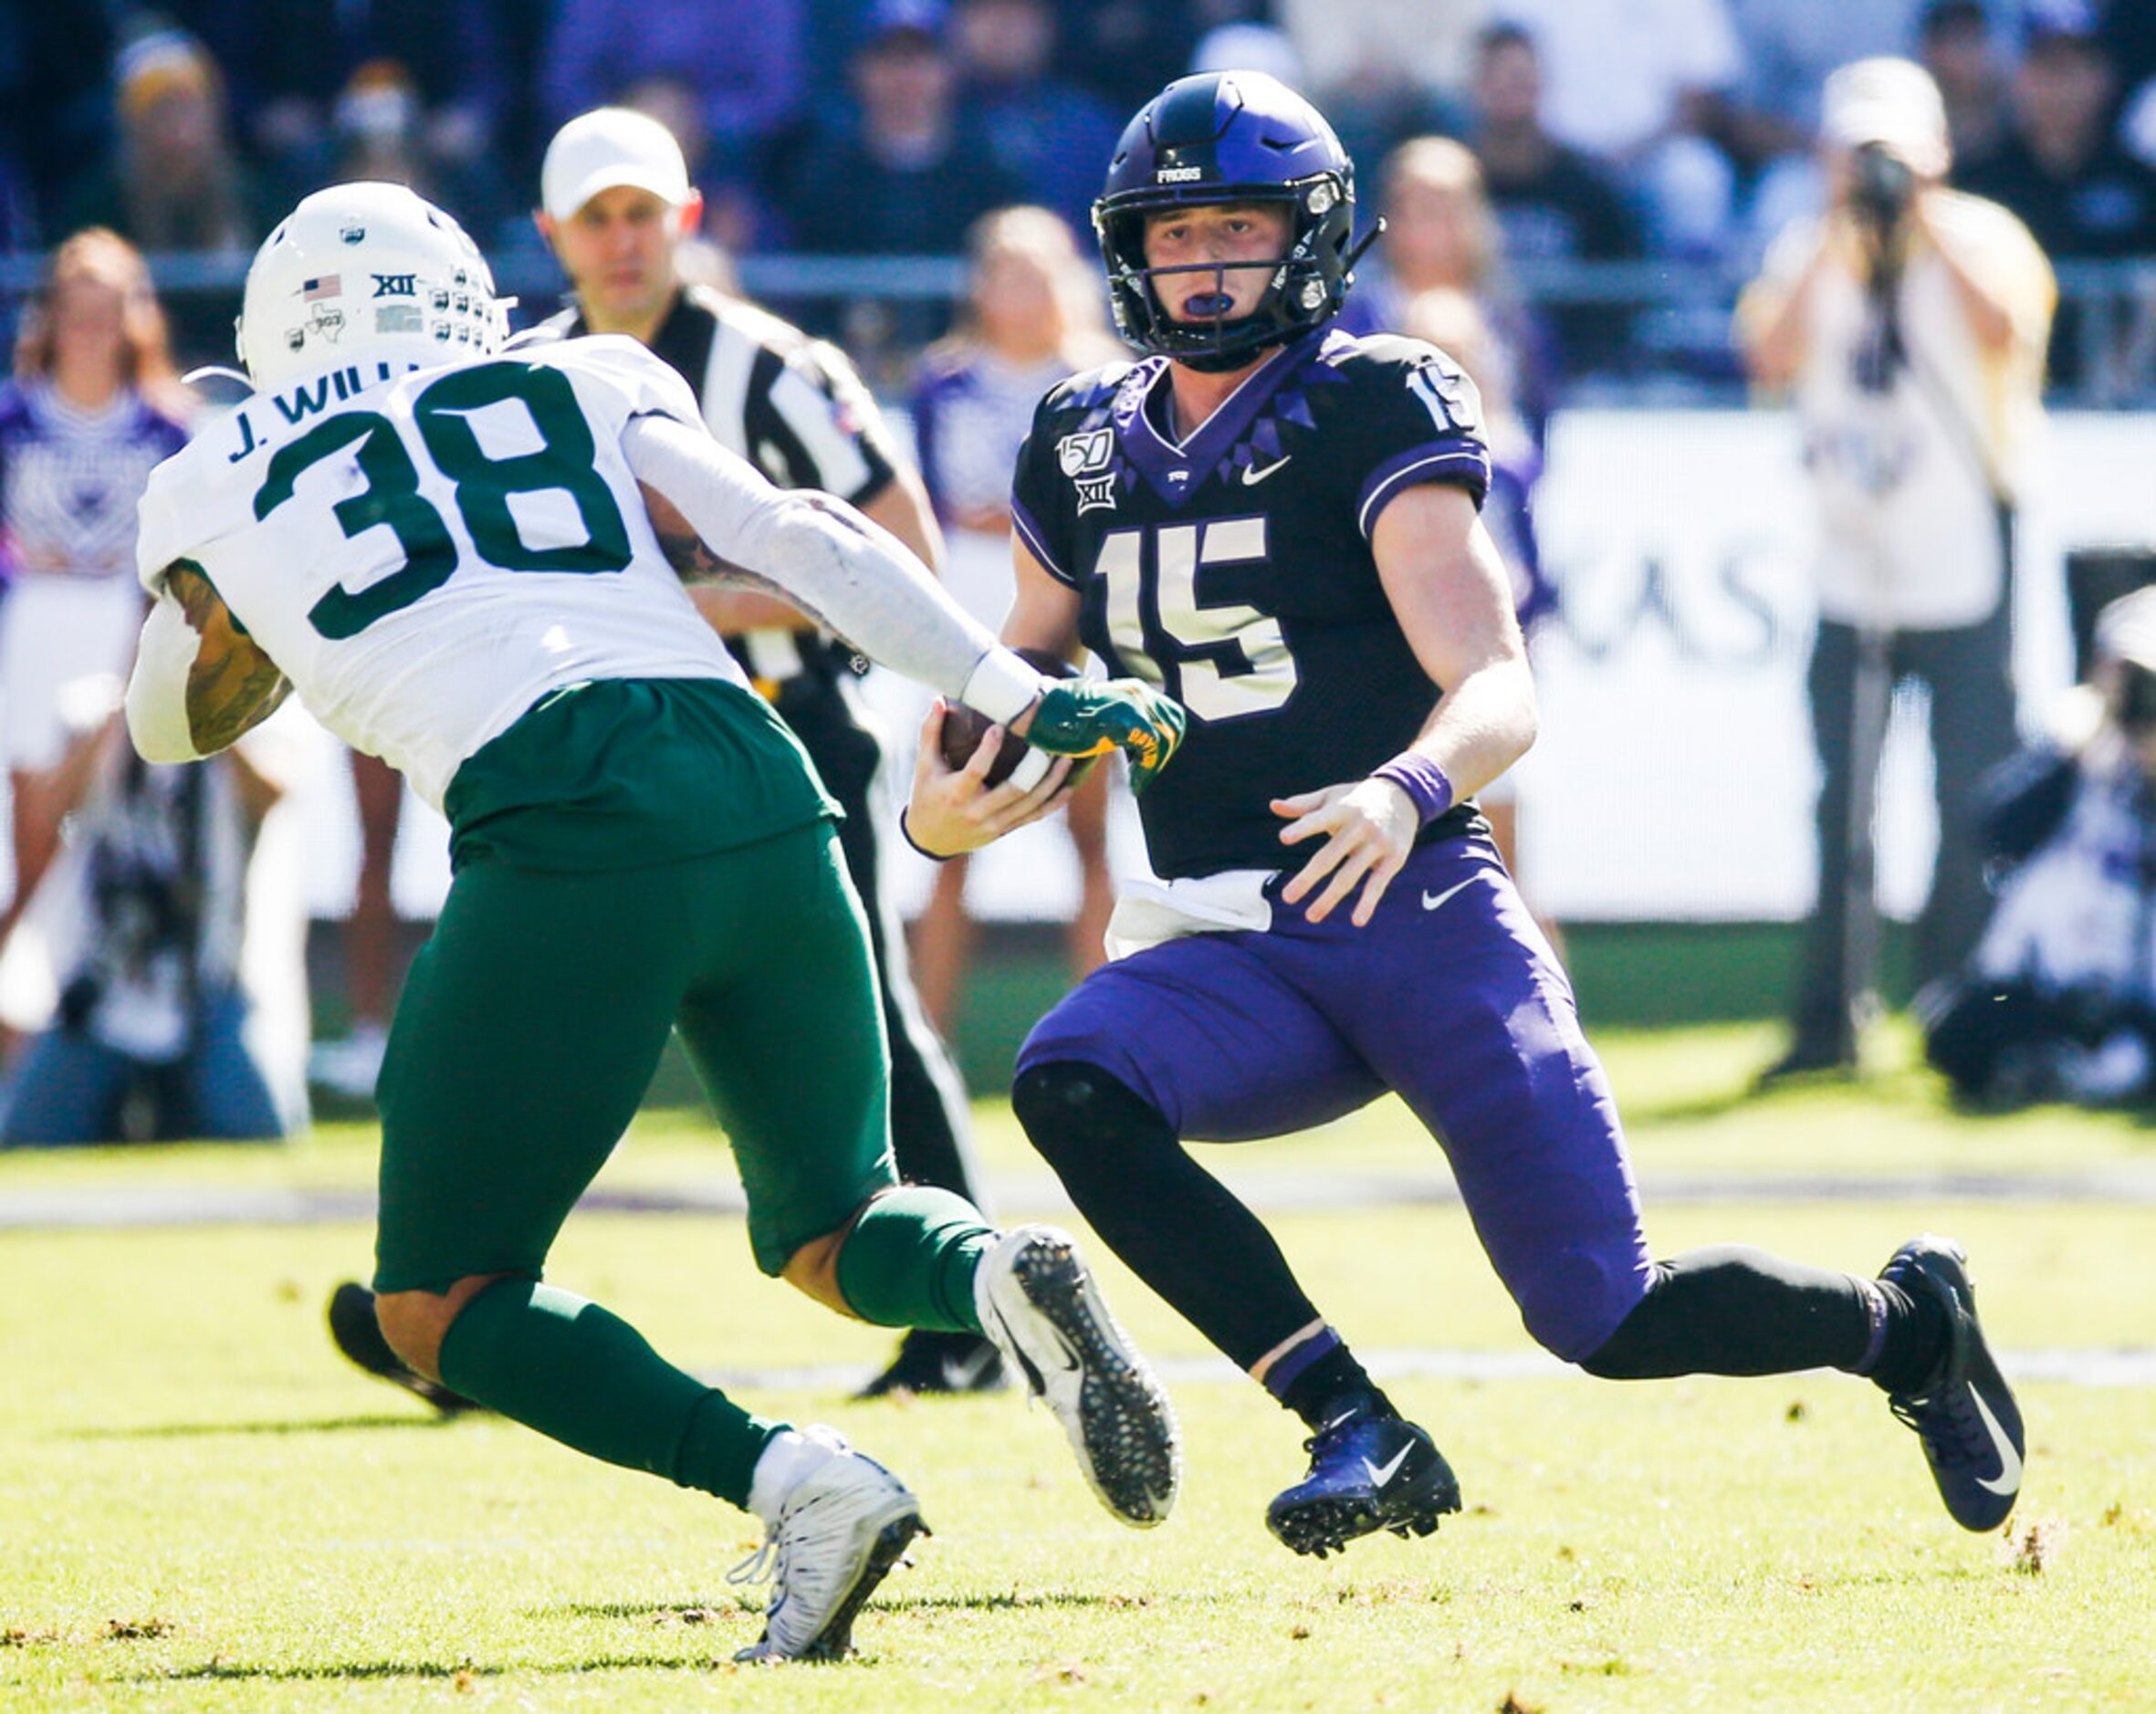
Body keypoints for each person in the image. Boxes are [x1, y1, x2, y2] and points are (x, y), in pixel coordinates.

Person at [905, 68, 2025, 1561]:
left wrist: (1402, 784)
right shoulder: (1080, 436)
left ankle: (1908, 1330)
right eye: (1175, 237)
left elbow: (1495, 676)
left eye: (1237, 229)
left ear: (1307, 239)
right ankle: (1353, 1419)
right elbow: (1020, 666)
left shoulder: (1376, 394)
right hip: (1230, 936)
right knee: (1068, 1077)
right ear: (1128, 250)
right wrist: (948, 800)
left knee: (1604, 1313)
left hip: (1415, 914)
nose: (1205, 264)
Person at [127, 181, 1183, 1661]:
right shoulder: (581, 365)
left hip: (555, 810)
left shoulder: (205, 471)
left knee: (435, 1303)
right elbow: (792, 533)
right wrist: (1018, 689)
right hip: (757, 779)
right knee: (839, 1219)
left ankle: (796, 1484)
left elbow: (169, 722)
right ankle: (991, 1269)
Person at [327, 105, 1009, 1403]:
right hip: (597, 744)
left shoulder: (766, 363)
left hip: (781, 728)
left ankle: (961, 1308)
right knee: (557, 1024)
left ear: (684, 220)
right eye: (598, 219)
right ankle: (470, 1303)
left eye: (643, 213)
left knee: (862, 1010)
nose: (623, 240)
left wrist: (694, 599)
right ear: (551, 236)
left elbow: (893, 542)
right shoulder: (523, 373)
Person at [1741, 57, 2054, 1080]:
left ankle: (1957, 1011)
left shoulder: (1983, 239)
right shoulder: (1811, 249)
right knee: (1843, 800)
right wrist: (1838, 235)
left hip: (1961, 558)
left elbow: (2003, 329)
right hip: (1849, 564)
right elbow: (1769, 357)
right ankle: (1830, 1017)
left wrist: (1923, 222)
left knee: (1971, 797)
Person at [905, 206, 1124, 1032]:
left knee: (1092, 837)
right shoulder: (944, 380)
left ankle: (1105, 1035)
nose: (1022, 289)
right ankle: (930, 1048)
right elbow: (931, 505)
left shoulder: (1104, 378)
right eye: (1005, 270)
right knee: (952, 835)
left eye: (1039, 270)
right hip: (970, 621)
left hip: (1075, 619)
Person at [0, 232, 191, 976]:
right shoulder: (14, 419)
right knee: (31, 825)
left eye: (105, 316)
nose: (89, 335)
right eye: (75, 315)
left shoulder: (166, 425)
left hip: (124, 635)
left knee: (106, 818)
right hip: (32, 632)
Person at [0, 676, 296, 1147]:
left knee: (255, 1129)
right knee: (29, 1131)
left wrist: (205, 712)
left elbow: (272, 793)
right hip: (103, 991)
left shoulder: (253, 703)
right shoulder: (94, 707)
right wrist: (131, 709)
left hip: (210, 987)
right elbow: (49, 809)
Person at [1923, 584, 2156, 1108]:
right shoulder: (2080, 753)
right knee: (1961, 1030)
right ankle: (2060, 1063)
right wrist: (2073, 747)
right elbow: (1996, 830)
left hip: (2144, 983)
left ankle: (2108, 1065)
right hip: (2064, 982)